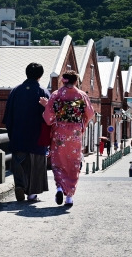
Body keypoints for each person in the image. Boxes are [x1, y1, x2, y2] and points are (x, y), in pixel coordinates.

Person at [42, 70, 94, 207]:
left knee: (58, 161)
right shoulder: (81, 95)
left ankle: (59, 187)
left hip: (59, 132)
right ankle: (69, 197)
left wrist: (48, 107)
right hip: (75, 134)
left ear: (63, 80)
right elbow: (89, 113)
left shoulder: (56, 95)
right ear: (76, 81)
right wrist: (82, 124)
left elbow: (48, 118)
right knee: (73, 163)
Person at [3, 62, 50, 202]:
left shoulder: (15, 91)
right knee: (35, 166)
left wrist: (12, 132)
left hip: (18, 135)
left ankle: (20, 186)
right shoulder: (43, 92)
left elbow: (7, 116)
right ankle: (32, 194)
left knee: (19, 164)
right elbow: (49, 117)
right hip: (37, 137)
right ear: (40, 76)